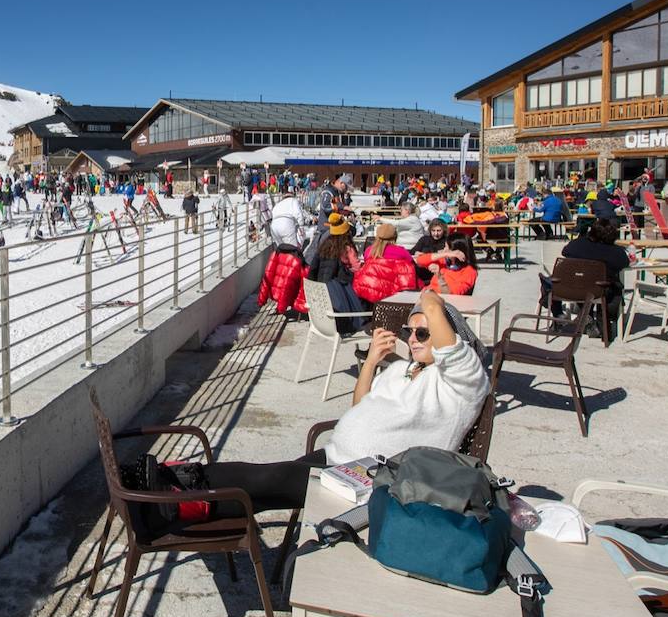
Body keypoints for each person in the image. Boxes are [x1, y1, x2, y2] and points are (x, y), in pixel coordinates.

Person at [199, 291, 488, 516]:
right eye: (408, 332)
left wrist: (430, 298)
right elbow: (360, 406)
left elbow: (440, 321)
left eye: (423, 332)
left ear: (448, 334)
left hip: (375, 483)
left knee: (267, 478)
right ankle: (177, 506)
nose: (412, 339)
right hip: (339, 459)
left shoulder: (461, 383)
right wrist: (372, 361)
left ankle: (178, 487)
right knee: (262, 491)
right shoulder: (404, 369)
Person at [553, 218, 630, 339]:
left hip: (571, 289)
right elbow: (624, 263)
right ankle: (600, 324)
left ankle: (565, 315)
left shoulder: (577, 244)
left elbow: (565, 252)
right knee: (612, 287)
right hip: (599, 292)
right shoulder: (616, 253)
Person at [306, 213, 367, 334]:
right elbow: (356, 266)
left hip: (321, 297)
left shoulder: (324, 245)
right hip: (338, 299)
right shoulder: (346, 247)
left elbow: (312, 270)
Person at [352, 223, 419, 306]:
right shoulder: (402, 252)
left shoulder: (369, 251)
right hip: (396, 298)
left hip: (372, 297)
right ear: (395, 237)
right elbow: (412, 268)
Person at [258, 215, 309, 318]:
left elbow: (267, 277)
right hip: (285, 297)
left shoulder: (276, 254)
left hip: (274, 293)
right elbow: (287, 287)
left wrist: (261, 300)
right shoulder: (296, 262)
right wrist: (281, 309)